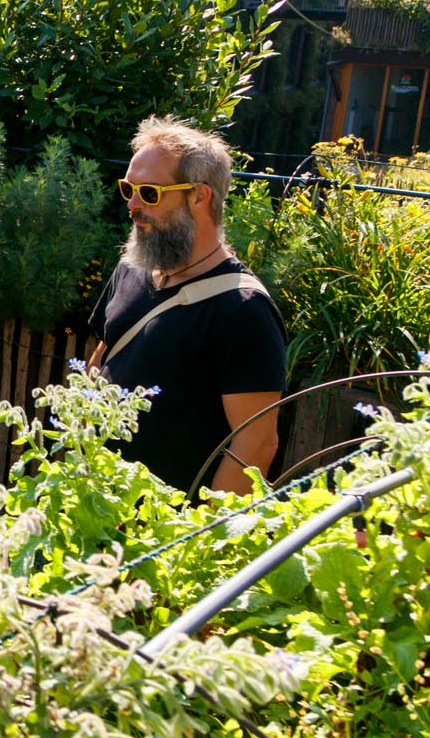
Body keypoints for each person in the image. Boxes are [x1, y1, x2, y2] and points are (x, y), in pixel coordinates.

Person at [86, 117, 286, 495]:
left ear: (199, 196)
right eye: (129, 189)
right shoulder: (132, 268)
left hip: (167, 532)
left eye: (149, 193)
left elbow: (256, 445)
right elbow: (104, 355)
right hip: (96, 507)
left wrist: (197, 541)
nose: (131, 204)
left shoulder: (243, 310)